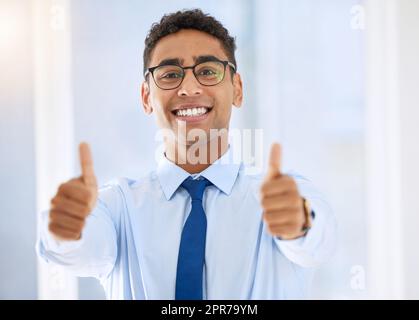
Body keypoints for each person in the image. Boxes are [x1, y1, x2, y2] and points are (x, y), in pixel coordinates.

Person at [36, 9, 336, 300]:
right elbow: (80, 249)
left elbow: (317, 241)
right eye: (169, 74)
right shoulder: (116, 207)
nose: (189, 88)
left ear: (238, 89)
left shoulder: (287, 196)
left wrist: (297, 222)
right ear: (146, 97)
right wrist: (67, 229)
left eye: (207, 71)